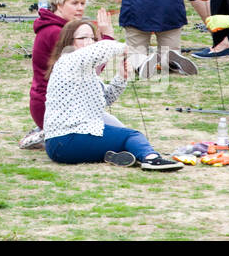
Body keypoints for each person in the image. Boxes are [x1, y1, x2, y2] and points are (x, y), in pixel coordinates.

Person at [42, 20, 180, 169]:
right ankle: (151, 159)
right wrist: (127, 49)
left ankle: (115, 155)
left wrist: (121, 76)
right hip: (67, 139)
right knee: (132, 136)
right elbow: (102, 48)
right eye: (83, 38)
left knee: (125, 138)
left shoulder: (86, 71)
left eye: (92, 38)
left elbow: (106, 99)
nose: (89, 42)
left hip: (62, 144)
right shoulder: (69, 59)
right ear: (69, 42)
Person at [20, 0, 116, 151]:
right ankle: (46, 134)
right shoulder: (57, 32)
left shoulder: (62, 29)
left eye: (82, 3)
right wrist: (107, 38)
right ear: (59, 4)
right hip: (56, 107)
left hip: (60, 104)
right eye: (74, 3)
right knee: (115, 137)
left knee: (116, 131)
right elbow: (90, 70)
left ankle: (44, 132)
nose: (80, 8)